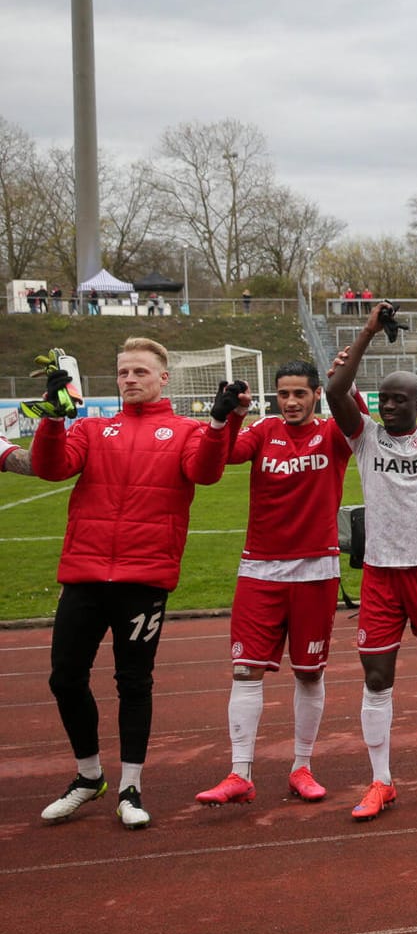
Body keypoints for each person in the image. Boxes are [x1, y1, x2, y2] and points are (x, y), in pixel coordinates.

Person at [31, 338, 240, 828]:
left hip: (144, 580)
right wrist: (53, 416)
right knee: (65, 678)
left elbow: (205, 474)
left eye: (140, 371)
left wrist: (217, 424)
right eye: (123, 371)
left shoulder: (188, 430)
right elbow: (49, 467)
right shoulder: (92, 427)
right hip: (83, 575)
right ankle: (88, 777)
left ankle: (130, 787)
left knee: (133, 683)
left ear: (162, 377)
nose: (130, 379)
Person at [323, 303, 417, 820]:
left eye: (399, 399)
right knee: (377, 679)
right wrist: (367, 330)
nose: (388, 405)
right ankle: (381, 781)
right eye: (383, 398)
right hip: (383, 573)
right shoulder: (364, 438)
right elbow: (336, 391)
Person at [194, 360, 354, 809]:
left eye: (300, 394)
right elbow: (220, 458)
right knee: (246, 670)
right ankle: (239, 772)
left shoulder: (332, 433)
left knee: (309, 672)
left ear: (317, 394)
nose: (290, 402)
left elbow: (356, 416)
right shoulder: (263, 431)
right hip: (260, 569)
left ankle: (302, 767)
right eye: (284, 394)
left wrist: (349, 374)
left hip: (316, 571)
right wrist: (224, 417)